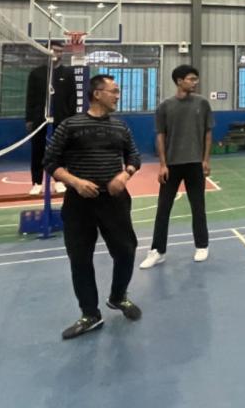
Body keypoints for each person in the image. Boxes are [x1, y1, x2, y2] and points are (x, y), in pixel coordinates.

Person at [44, 74, 142, 340]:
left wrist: (125, 175)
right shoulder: (71, 126)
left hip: (114, 201)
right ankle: (90, 314)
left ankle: (118, 296)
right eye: (114, 91)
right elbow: (50, 162)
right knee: (80, 258)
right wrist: (76, 182)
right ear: (97, 94)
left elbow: (134, 156)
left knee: (126, 251)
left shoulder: (120, 127)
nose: (118, 96)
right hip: (79, 203)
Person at [140, 64, 213, 268]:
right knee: (163, 209)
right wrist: (162, 164)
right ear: (179, 81)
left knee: (198, 207)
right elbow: (160, 136)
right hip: (171, 166)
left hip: (195, 164)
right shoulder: (165, 106)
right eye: (191, 79)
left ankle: (202, 245)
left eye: (196, 79)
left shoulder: (203, 103)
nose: (195, 82)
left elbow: (208, 133)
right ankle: (157, 251)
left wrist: (206, 160)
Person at [25, 42, 78, 195]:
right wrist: (29, 119)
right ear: (47, 52)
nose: (57, 54)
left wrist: (71, 119)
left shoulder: (68, 73)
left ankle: (59, 181)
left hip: (61, 119)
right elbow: (30, 98)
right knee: (38, 150)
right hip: (40, 119)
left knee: (60, 151)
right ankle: (37, 183)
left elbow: (72, 98)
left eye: (60, 51)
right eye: (54, 51)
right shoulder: (36, 73)